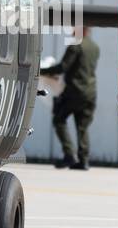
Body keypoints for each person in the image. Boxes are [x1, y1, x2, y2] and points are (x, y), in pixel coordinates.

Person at [41, 26, 99, 169]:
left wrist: (41, 70)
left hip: (74, 92)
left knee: (59, 119)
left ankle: (69, 155)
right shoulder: (94, 47)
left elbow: (63, 67)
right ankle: (84, 160)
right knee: (82, 126)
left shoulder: (75, 46)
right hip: (90, 92)